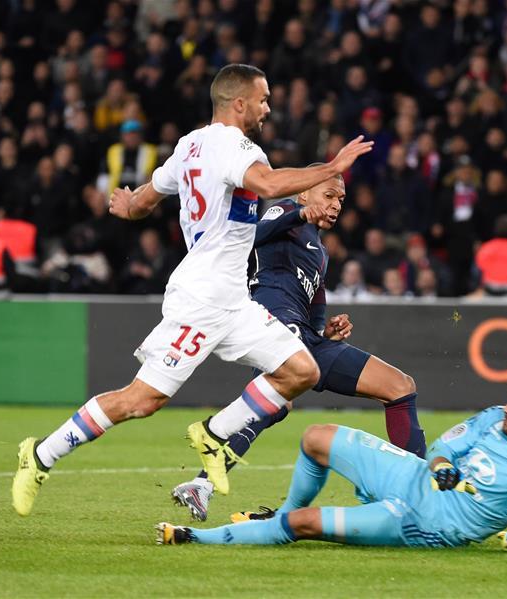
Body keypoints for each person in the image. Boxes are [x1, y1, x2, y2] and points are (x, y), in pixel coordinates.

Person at [11, 64, 374, 516]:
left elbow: (148, 197)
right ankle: (40, 455)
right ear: (238, 103)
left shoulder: (189, 146)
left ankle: (214, 434)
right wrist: (332, 166)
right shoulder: (234, 146)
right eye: (262, 99)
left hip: (233, 300)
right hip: (202, 297)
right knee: (140, 401)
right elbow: (268, 184)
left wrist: (128, 205)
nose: (267, 108)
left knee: (300, 371)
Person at [172, 170, 426, 521]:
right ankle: (202, 484)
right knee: (276, 404)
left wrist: (328, 334)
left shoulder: (320, 252)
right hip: (272, 326)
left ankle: (419, 494)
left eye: (340, 200)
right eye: (328, 196)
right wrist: (298, 214)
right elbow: (250, 237)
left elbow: (315, 312)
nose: (335, 205)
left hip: (304, 338)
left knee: (400, 387)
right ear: (304, 194)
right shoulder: (284, 212)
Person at [157, 375, 507, 555]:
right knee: (316, 437)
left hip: (424, 522)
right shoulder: (493, 417)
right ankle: (282, 513)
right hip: (410, 474)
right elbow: (444, 445)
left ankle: (197, 537)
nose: (506, 410)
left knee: (308, 524)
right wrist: (440, 462)